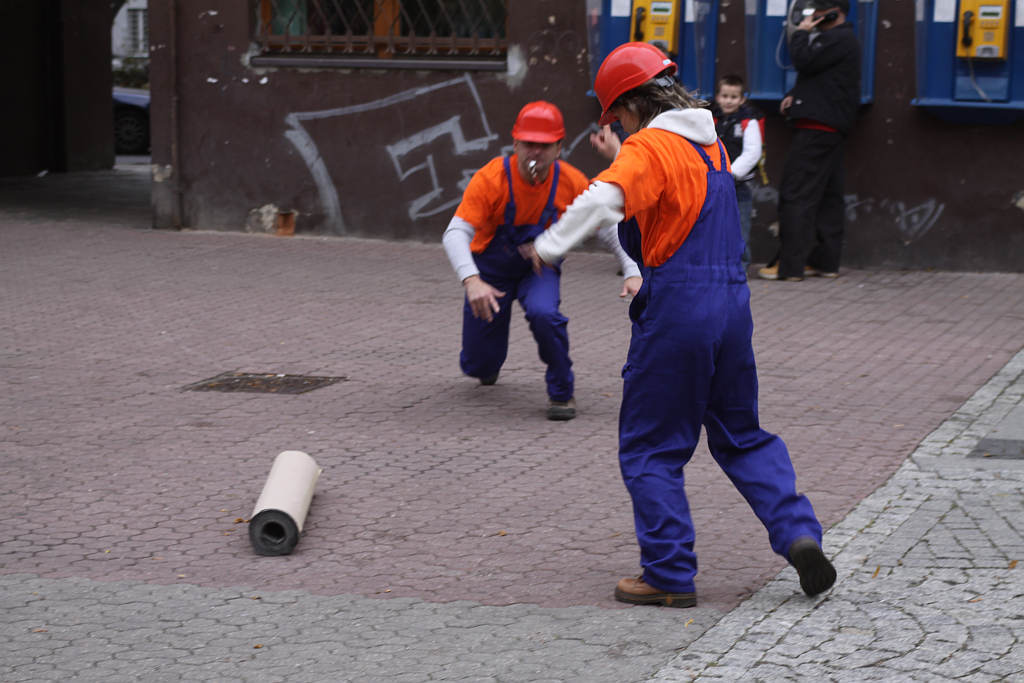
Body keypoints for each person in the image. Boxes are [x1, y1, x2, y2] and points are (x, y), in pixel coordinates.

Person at [520, 43, 836, 606]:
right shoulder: (711, 142)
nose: (616, 125)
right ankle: (798, 534)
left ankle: (668, 573)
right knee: (743, 435)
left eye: (616, 114)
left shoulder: (650, 146)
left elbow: (603, 199)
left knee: (650, 447)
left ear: (633, 104)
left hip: (679, 311)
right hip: (732, 306)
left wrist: (548, 244)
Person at [442, 101, 641, 421]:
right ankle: (486, 364)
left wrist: (631, 270)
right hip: (490, 271)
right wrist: (471, 280)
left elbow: (608, 226)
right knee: (478, 363)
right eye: (529, 144)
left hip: (539, 269)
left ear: (559, 148)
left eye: (545, 145)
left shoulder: (572, 181)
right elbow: (455, 233)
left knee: (544, 313)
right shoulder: (491, 178)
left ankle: (562, 393)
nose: (536, 152)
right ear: (515, 144)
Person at [758, 0, 861, 281]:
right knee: (828, 196)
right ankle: (824, 261)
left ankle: (789, 266)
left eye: (816, 12)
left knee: (796, 194)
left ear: (833, 12)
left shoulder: (837, 38)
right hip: (830, 127)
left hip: (817, 130)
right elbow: (819, 74)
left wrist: (800, 32)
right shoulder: (841, 41)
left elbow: (803, 59)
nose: (811, 16)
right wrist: (797, 95)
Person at [711, 74, 764, 272]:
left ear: (741, 99)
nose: (728, 101)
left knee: (739, 228)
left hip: (738, 185)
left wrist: (730, 174)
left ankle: (739, 265)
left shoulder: (747, 122)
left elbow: (752, 152)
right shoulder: (711, 119)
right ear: (718, 97)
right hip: (712, 184)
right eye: (724, 96)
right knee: (713, 226)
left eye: (733, 97)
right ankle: (716, 264)